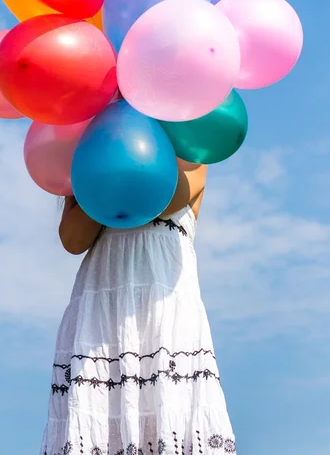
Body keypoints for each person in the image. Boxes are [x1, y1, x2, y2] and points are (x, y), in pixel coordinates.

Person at [40, 159, 236, 455]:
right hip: (104, 310)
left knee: (168, 410)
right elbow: (73, 238)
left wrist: (112, 180)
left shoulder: (189, 145)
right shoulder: (91, 151)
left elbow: (169, 198)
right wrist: (104, 167)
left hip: (162, 307)